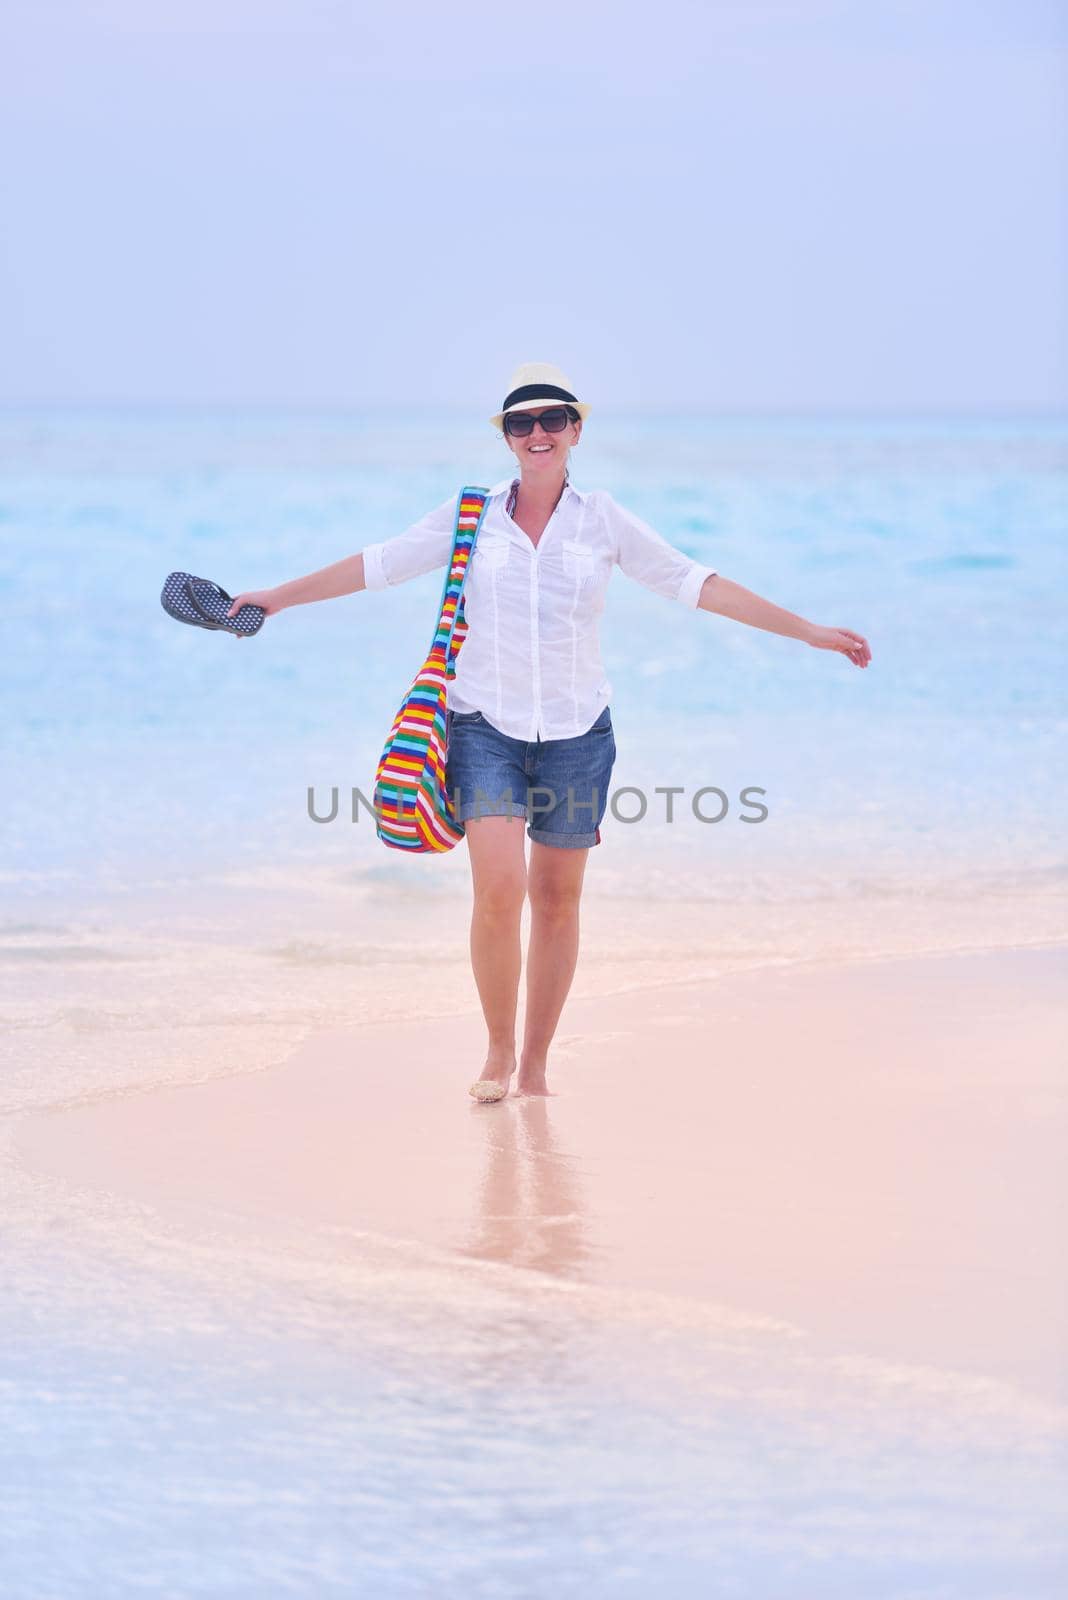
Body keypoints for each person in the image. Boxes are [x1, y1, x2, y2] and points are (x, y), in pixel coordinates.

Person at [227, 361, 871, 1103]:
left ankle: (535, 1065)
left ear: (576, 431)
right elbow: (379, 564)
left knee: (558, 900)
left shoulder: (603, 519)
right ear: (505, 437)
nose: (538, 434)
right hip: (484, 728)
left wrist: (810, 632)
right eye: (521, 423)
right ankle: (497, 1053)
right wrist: (276, 598)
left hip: (576, 735)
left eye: (551, 420)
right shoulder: (472, 514)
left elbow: (697, 583)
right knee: (499, 890)